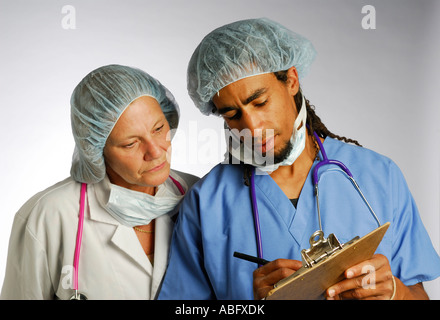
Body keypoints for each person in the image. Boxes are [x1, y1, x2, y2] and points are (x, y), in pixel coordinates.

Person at [158, 18, 440, 300]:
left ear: (291, 80)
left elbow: (418, 295)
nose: (253, 128)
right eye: (232, 115)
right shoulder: (207, 203)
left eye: (260, 102)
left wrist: (396, 293)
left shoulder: (378, 176)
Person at [1, 64, 198, 299]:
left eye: (158, 128)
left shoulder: (201, 196)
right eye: (130, 143)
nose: (156, 151)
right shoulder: (49, 215)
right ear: (95, 149)